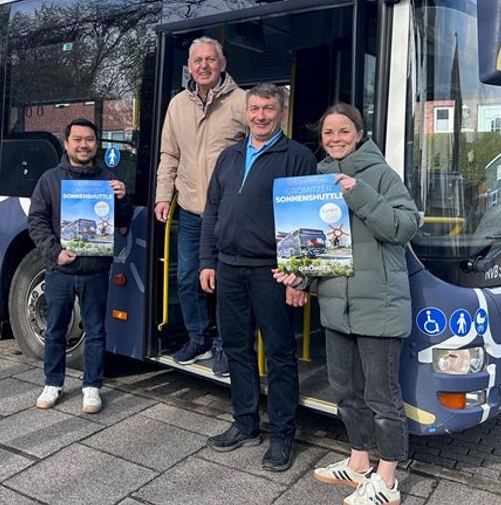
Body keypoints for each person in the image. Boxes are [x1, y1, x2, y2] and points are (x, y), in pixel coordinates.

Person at [274, 102, 420, 505]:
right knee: (345, 390)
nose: (334, 139)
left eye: (343, 131)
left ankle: (387, 480)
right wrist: (299, 273)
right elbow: (319, 249)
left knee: (382, 397)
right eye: (327, 133)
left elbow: (404, 227)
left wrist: (357, 193)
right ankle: (358, 463)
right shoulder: (317, 178)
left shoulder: (380, 175)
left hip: (380, 306)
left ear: (359, 133)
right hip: (338, 306)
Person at [200, 83, 316, 471]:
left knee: (281, 354)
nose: (260, 116)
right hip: (229, 267)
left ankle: (282, 435)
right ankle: (245, 423)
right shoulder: (230, 156)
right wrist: (207, 261)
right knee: (237, 348)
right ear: (246, 112)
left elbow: (306, 218)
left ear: (281, 112)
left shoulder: (297, 157)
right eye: (254, 109)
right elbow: (211, 212)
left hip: (273, 271)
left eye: (268, 109)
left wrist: (298, 277)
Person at [154, 36, 248, 375]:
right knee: (187, 279)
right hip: (192, 211)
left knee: (225, 283)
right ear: (189, 67)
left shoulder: (243, 102)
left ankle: (226, 344)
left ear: (222, 64)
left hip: (230, 214)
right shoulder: (177, 105)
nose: (204, 66)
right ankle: (198, 338)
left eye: (210, 60)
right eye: (197, 61)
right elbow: (169, 155)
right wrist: (163, 196)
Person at [27, 118, 131, 414]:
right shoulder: (49, 179)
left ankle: (92, 387)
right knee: (55, 330)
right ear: (67, 143)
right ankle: (52, 383)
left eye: (90, 140)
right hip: (60, 269)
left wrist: (122, 200)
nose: (84, 145)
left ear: (96, 144)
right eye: (78, 139)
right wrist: (55, 251)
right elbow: (36, 221)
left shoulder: (109, 179)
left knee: (96, 332)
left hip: (96, 271)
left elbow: (121, 223)